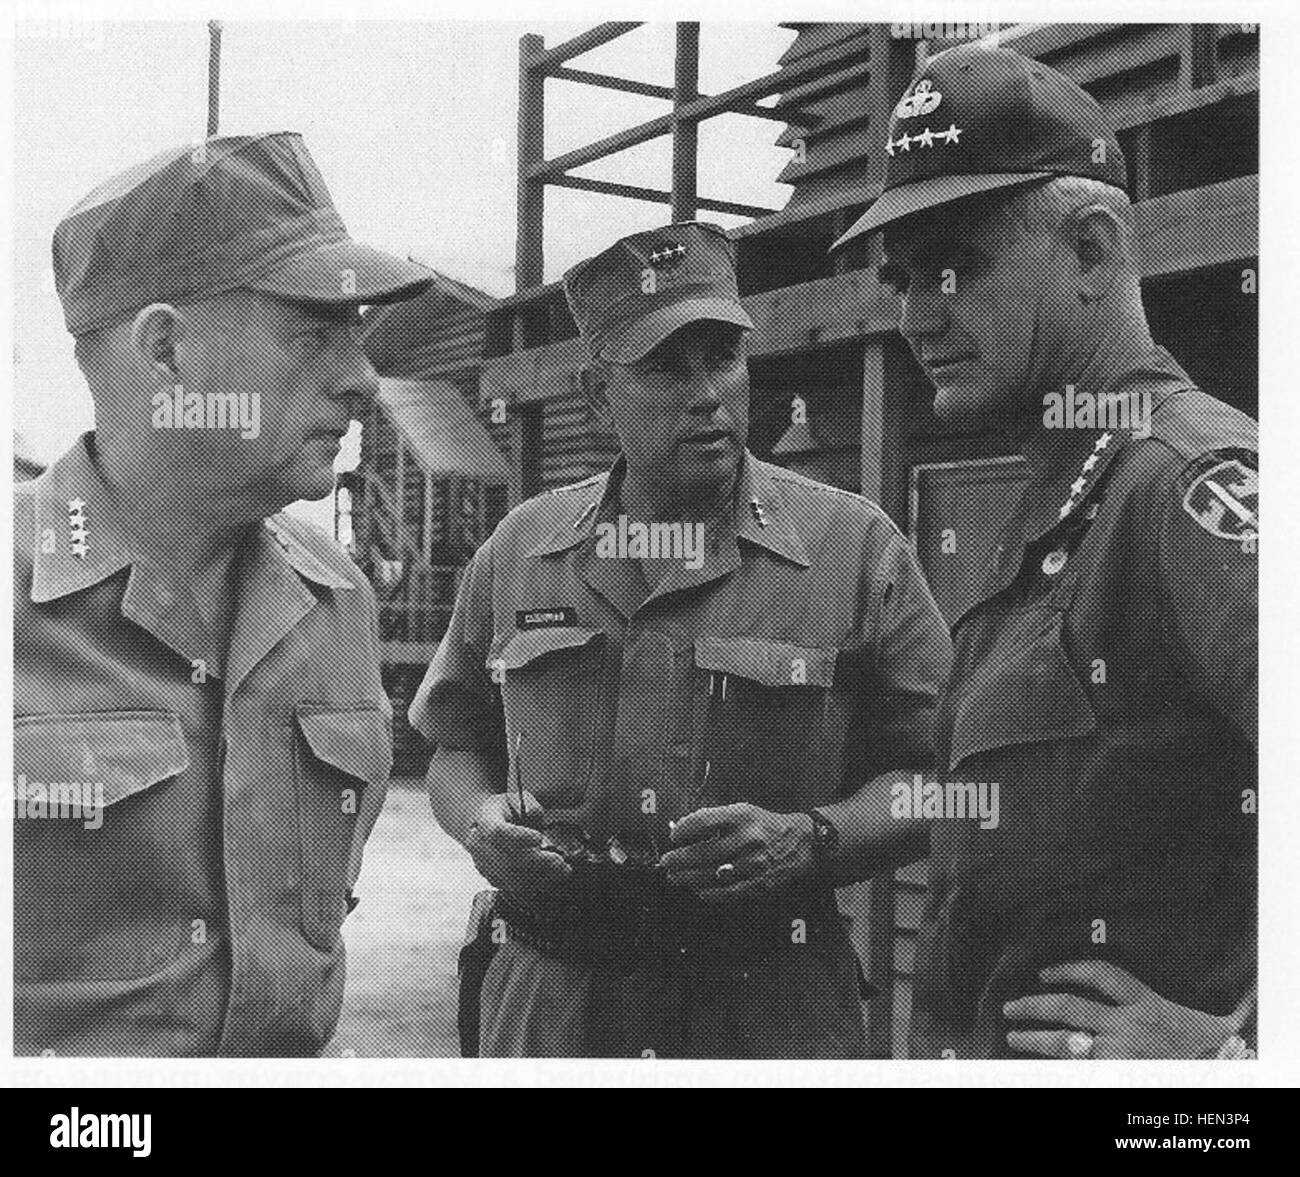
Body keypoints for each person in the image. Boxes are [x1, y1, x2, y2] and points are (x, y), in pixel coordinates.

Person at [410, 221, 952, 1057]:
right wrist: (482, 820)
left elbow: (940, 778)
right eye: (666, 366)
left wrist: (811, 837)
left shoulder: (854, 550)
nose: (707, 393)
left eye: (723, 357)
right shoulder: (521, 550)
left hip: (766, 1006)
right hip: (551, 1007)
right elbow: (454, 745)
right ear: (596, 395)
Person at [832, 44, 1257, 1058]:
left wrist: (1233, 1054)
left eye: (954, 267)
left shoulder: (1189, 488)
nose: (915, 316)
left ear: (1094, 251)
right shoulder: (1060, 503)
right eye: (900, 279)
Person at [14, 132, 434, 1056]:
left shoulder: (337, 605)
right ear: (165, 351)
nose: (363, 377)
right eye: (315, 329)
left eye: (358, 336)